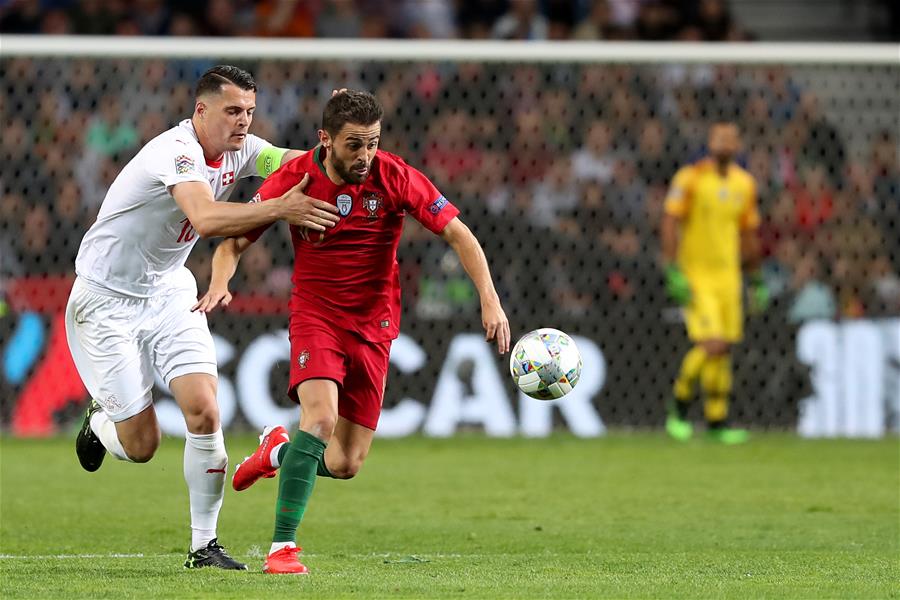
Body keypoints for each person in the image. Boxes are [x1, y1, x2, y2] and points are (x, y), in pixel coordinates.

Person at [195, 90, 510, 574]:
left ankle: (278, 451)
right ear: (325, 140)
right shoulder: (295, 178)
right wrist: (220, 280)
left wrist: (489, 297)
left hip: (375, 326)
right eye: (354, 145)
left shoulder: (395, 175)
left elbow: (457, 233)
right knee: (319, 421)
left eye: (373, 143)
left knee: (344, 463)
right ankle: (283, 548)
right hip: (316, 317)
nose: (365, 156)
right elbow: (234, 240)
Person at [66, 65, 342, 570]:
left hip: (170, 290)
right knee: (143, 445)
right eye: (233, 111)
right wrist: (280, 208)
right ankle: (100, 423)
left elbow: (300, 160)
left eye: (250, 112)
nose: (242, 122)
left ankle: (203, 546)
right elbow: (207, 218)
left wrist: (337, 132)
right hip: (106, 299)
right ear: (201, 110)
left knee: (205, 412)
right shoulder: (174, 152)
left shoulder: (244, 148)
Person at [660, 122, 768, 444]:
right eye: (719, 137)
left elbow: (748, 234)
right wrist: (672, 269)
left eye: (731, 138)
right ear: (710, 142)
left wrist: (756, 278)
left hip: (729, 277)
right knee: (712, 344)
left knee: (725, 349)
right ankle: (678, 408)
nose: (725, 143)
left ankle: (717, 420)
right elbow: (670, 221)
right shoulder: (691, 178)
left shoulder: (744, 184)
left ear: (738, 145)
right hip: (697, 276)